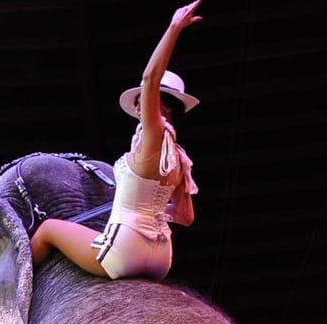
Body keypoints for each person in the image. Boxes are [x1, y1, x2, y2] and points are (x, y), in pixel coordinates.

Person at [29, 2, 201, 281]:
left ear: (157, 102)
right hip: (162, 256)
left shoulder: (153, 133)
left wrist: (174, 27)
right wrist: (148, 208)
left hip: (128, 248)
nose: (138, 105)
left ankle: (12, 302)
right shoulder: (180, 158)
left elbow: (150, 78)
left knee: (48, 228)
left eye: (141, 101)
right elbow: (185, 216)